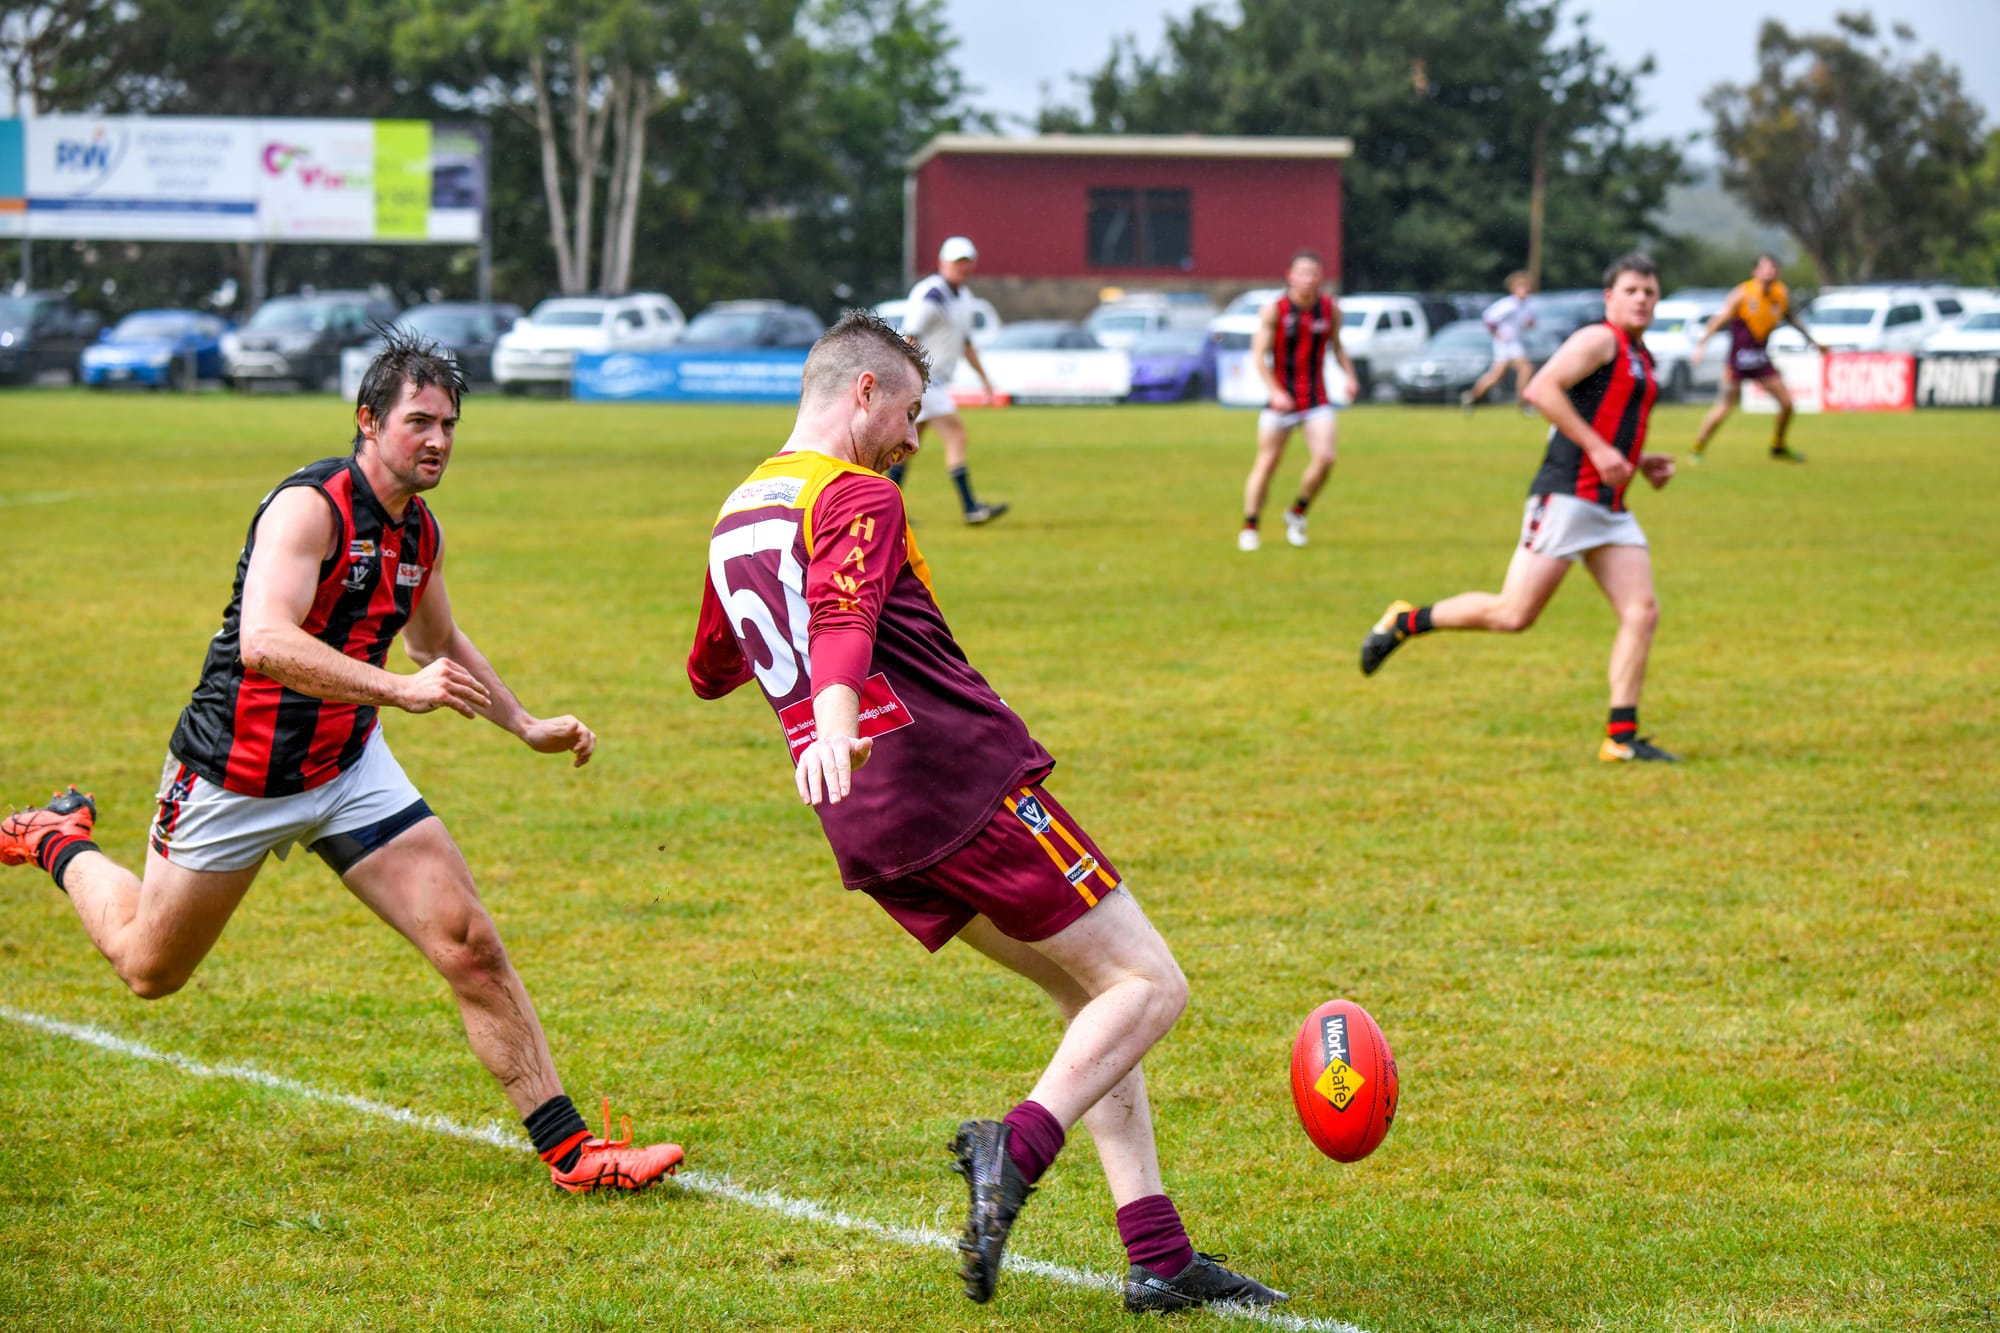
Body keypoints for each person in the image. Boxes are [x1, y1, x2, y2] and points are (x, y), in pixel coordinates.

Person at [686, 310, 1285, 1313]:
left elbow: (711, 667)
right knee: (1151, 984)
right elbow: (842, 618)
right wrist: (836, 717)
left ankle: (1158, 1255)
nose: (915, 438)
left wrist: (818, 716)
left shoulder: (737, 511)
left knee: (1093, 996)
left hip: (868, 822)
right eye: (910, 412)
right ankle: (1016, 1145)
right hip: (952, 783)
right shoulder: (854, 493)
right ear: (864, 391)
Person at [0, 330, 683, 1192]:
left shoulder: (420, 531)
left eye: (449, 425)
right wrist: (396, 690)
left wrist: (525, 723)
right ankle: (59, 840)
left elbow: (437, 640)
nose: (437, 440)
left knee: (470, 943)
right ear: (368, 421)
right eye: (419, 421)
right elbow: (264, 640)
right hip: (237, 772)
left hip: (349, 768)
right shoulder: (310, 507)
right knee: (149, 968)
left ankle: (574, 1151)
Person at [1357, 254, 1682, 763]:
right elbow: (1540, 390)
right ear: (1609, 298)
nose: (1641, 299)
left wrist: (1639, 462)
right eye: (1631, 290)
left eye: (1649, 291)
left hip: (1610, 507)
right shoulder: (1598, 340)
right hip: (1568, 496)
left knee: (1642, 612)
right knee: (1512, 614)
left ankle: (1620, 738)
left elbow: (1606, 418)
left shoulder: (1641, 355)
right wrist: (1599, 450)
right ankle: (1406, 621)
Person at [1239, 250, 1359, 551]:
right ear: (1290, 276)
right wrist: (1276, 391)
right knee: (1267, 463)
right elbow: (1258, 355)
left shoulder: (1330, 309)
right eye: (1302, 272)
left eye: (1313, 273)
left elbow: (1337, 346)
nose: (1307, 278)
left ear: (1320, 277)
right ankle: (1250, 527)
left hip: (1315, 398)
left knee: (1326, 458)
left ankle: (1297, 512)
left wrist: (1350, 376)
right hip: (1281, 399)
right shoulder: (1275, 310)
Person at [890, 235, 1007, 524]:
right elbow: (909, 338)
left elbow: (965, 343)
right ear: (942, 262)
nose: (961, 267)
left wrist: (985, 379)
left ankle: (886, 512)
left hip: (934, 381)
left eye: (966, 262)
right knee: (956, 434)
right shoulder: (932, 295)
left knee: (906, 447)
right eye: (957, 262)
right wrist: (904, 379)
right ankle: (970, 507)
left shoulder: (964, 298)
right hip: (924, 380)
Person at [1689, 254, 1824, 463]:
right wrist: (1701, 345)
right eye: (1765, 267)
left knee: (1787, 404)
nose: (1769, 272)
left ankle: (1778, 446)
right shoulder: (1743, 293)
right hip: (1737, 361)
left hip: (1760, 360)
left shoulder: (1780, 294)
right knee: (1724, 407)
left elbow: (1792, 320)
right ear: (1755, 271)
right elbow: (1718, 320)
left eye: (1773, 268)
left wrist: (1814, 342)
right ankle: (1697, 448)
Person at [1462, 271, 1538, 412]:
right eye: (1521, 287)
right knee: (1519, 371)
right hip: (1506, 344)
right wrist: (1497, 333)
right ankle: (1522, 403)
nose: (1525, 290)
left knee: (1509, 373)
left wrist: (1530, 324)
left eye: (1526, 287)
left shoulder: (1527, 305)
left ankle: (1472, 396)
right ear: (1514, 289)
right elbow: (1489, 318)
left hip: (1516, 343)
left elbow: (1529, 323)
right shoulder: (1508, 304)